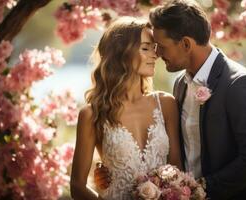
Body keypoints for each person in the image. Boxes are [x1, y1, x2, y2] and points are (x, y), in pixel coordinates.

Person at [95, 0, 246, 199]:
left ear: (186, 44)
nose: (158, 54)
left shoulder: (239, 84)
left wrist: (202, 189)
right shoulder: (180, 84)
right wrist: (113, 168)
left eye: (161, 46)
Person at [70, 16, 183, 200]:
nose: (155, 55)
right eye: (145, 48)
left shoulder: (166, 104)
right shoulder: (92, 114)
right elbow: (77, 187)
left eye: (154, 48)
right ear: (122, 52)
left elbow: (177, 170)